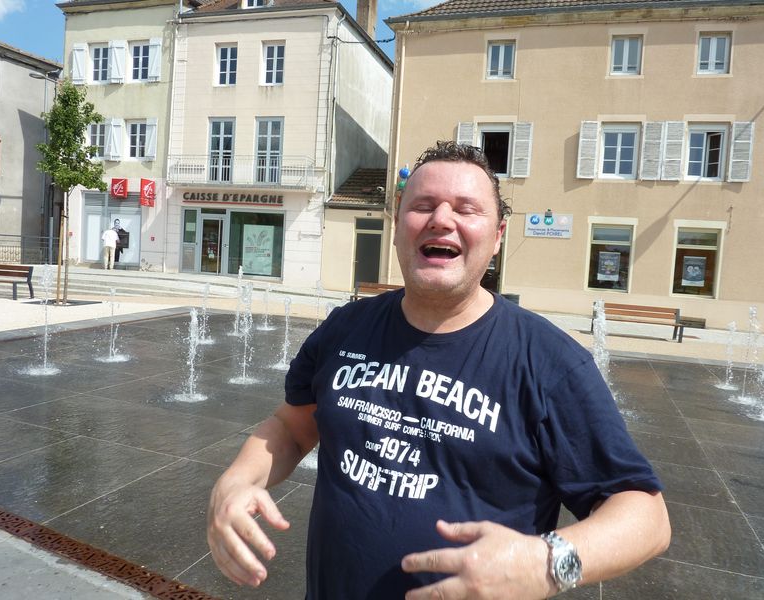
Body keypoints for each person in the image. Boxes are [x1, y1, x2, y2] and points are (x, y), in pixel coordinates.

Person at [207, 141, 671, 599]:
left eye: (466, 209)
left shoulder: (550, 362)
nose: (442, 219)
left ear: (498, 236)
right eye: (423, 205)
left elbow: (647, 518)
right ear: (397, 226)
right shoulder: (345, 328)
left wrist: (546, 562)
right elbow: (291, 428)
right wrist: (235, 481)